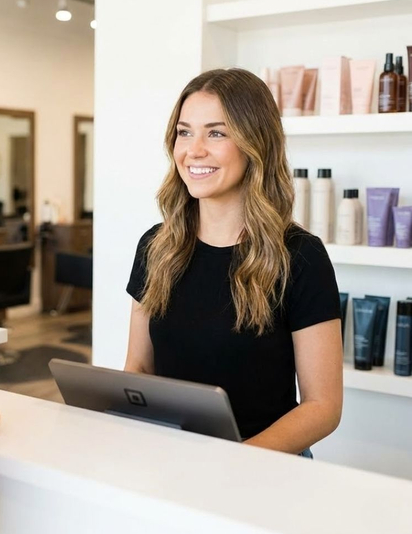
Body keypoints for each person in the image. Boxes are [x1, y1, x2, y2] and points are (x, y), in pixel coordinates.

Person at [125, 68, 342, 455]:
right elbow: (138, 369)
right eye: (185, 131)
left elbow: (322, 407)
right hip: (173, 459)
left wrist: (236, 461)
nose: (194, 150)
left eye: (217, 132)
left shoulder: (300, 256)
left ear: (254, 143)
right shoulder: (155, 247)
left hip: (265, 466)